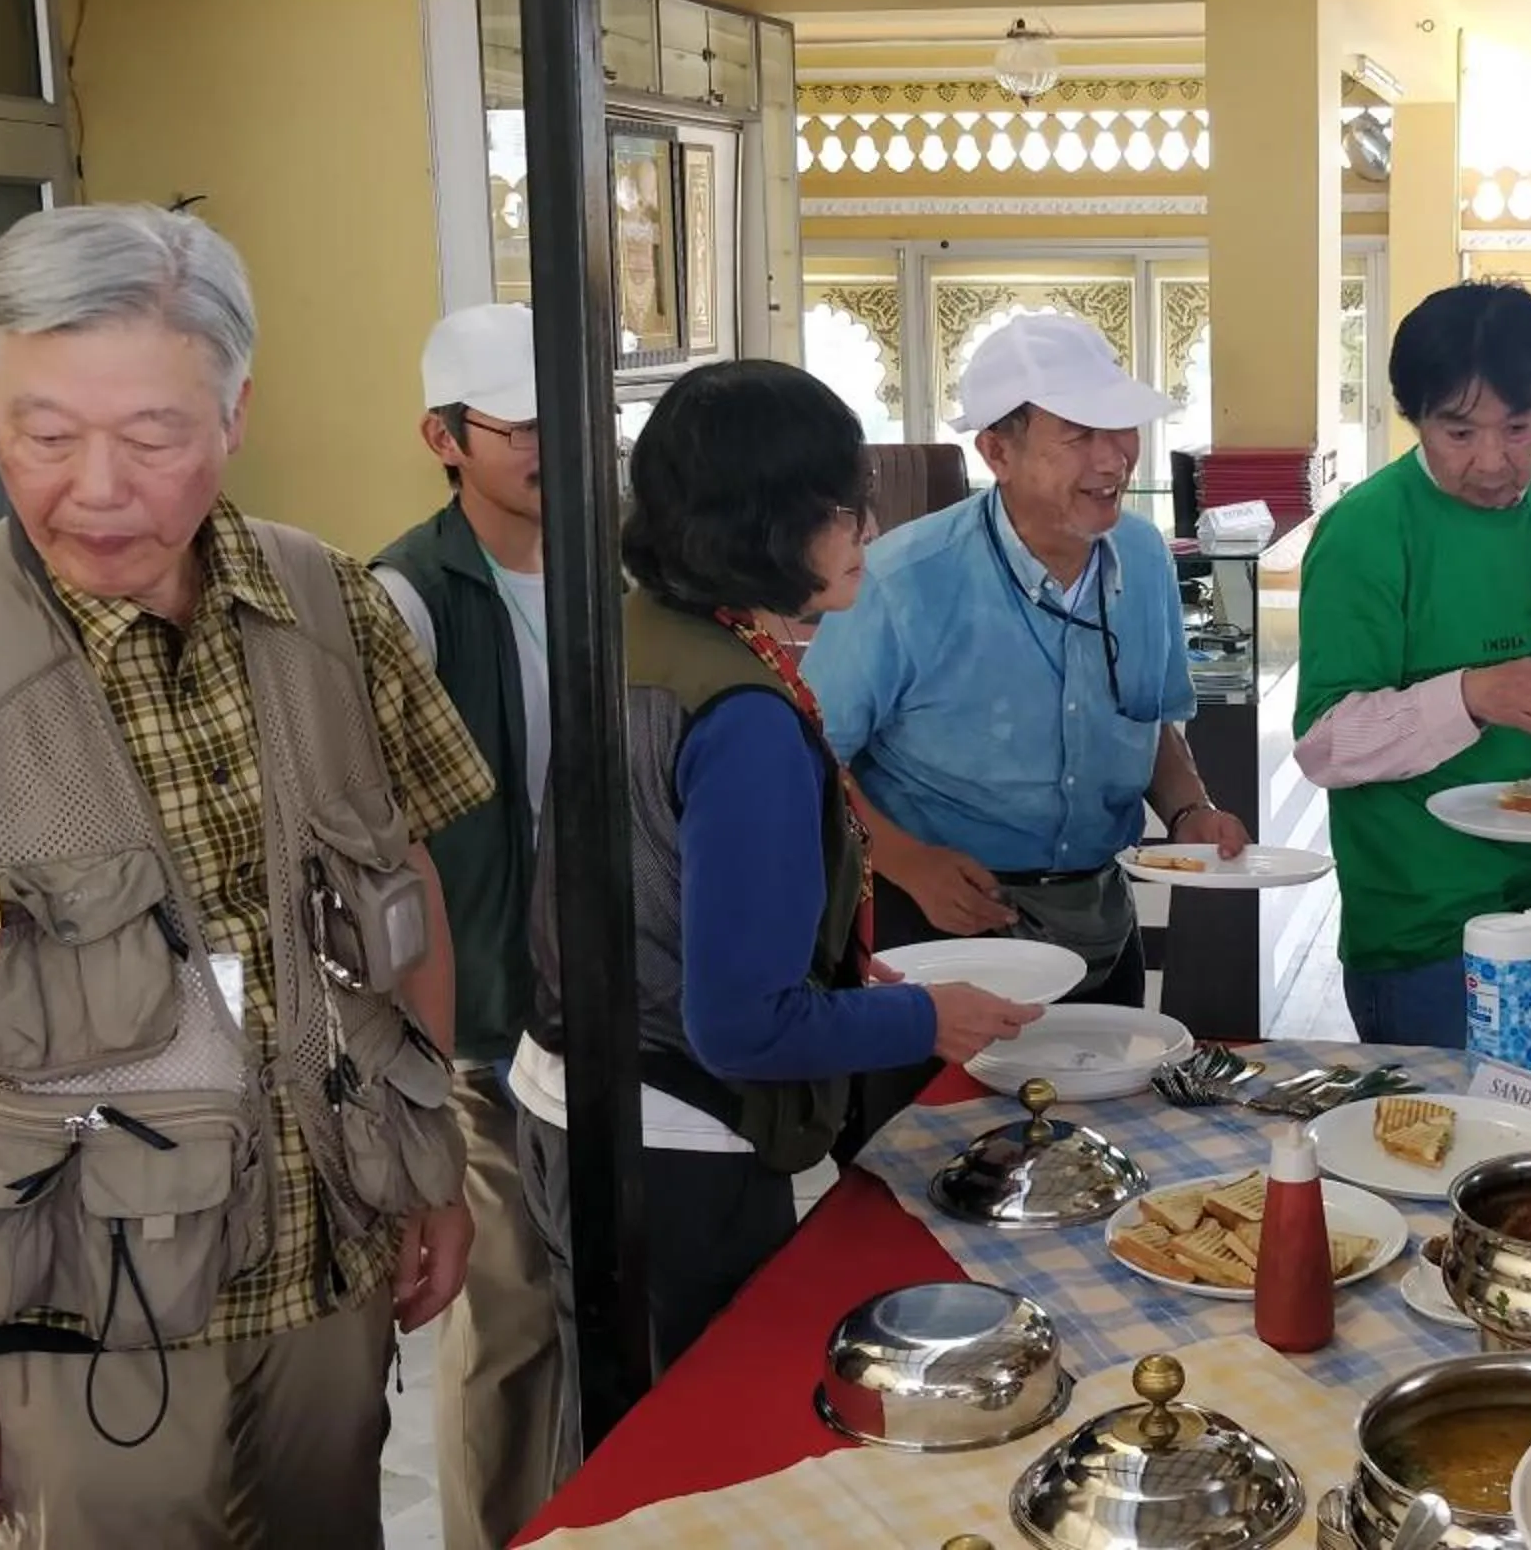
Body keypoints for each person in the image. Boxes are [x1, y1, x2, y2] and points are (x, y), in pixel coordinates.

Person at [0, 205, 488, 1545]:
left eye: (152, 434)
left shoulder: (338, 610)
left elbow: (409, 898)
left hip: (327, 1272)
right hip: (79, 1316)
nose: (97, 486)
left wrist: (430, 1165)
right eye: (43, 434)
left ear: (235, 412)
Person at [515, 360, 1041, 1385]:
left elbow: (657, 889)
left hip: (573, 1093)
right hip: (682, 1137)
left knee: (619, 1409)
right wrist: (927, 1017)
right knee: (711, 1424)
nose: (867, 533)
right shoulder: (742, 715)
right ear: (768, 521)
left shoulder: (633, 633)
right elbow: (742, 1023)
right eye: (848, 508)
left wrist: (841, 978)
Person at [805, 315, 1247, 1032]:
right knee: (946, 1141)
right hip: (939, 923)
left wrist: (1190, 809)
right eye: (1078, 436)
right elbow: (809, 758)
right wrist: (910, 861)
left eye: (1122, 429)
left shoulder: (1142, 557)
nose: (1112, 460)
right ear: (996, 451)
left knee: (1099, 1136)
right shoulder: (902, 580)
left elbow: (1151, 718)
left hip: (1100, 919)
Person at [1296, 281, 1531, 1049]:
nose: (1493, 462)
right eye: (1458, 433)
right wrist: (1471, 696)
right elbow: (1324, 745)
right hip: (1428, 935)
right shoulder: (1369, 532)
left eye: (1519, 427)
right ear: (1414, 418)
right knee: (1435, 1151)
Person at [367, 303, 565, 1550]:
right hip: (485, 1015)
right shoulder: (408, 593)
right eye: (522, 424)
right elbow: (381, 841)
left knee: (589, 1294)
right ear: (446, 436)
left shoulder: (616, 564)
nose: (553, 444)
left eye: (571, 420)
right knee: (507, 1312)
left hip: (595, 993)